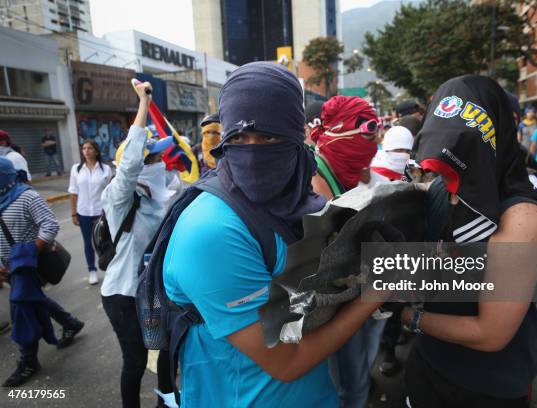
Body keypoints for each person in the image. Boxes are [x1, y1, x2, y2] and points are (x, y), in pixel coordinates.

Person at [163, 62, 384, 407]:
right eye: (238, 138)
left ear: (296, 138)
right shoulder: (212, 231)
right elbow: (286, 362)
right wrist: (374, 295)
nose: (253, 151)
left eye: (268, 136)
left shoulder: (302, 201)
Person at [403, 75, 537, 408]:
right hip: (428, 367)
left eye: (458, 153)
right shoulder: (440, 189)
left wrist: (407, 316)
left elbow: (491, 335)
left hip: (489, 385)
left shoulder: (521, 218)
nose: (443, 170)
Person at [100, 81, 179, 408]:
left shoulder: (156, 197)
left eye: (159, 157)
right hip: (123, 295)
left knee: (163, 351)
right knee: (135, 360)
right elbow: (131, 163)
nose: (159, 163)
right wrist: (143, 104)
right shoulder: (119, 198)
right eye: (152, 159)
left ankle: (167, 403)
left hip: (152, 293)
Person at [310, 95, 383, 407]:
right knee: (346, 383)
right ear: (339, 134)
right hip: (329, 305)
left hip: (358, 295)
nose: (372, 146)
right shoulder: (316, 182)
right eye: (367, 136)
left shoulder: (351, 171)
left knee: (357, 374)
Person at [0, 157, 84, 387]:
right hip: (10, 267)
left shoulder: (26, 196)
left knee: (21, 311)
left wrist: (26, 254)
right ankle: (70, 322)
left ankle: (28, 360)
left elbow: (49, 225)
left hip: (28, 265)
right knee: (33, 300)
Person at [68, 140, 112, 285]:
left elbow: (110, 192)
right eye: (84, 148)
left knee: (105, 241)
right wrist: (74, 213)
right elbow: (73, 192)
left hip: (101, 212)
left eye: (90, 148)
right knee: (88, 243)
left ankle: (110, 268)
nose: (86, 151)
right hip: (84, 212)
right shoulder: (76, 169)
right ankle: (92, 270)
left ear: (96, 151)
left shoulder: (105, 169)